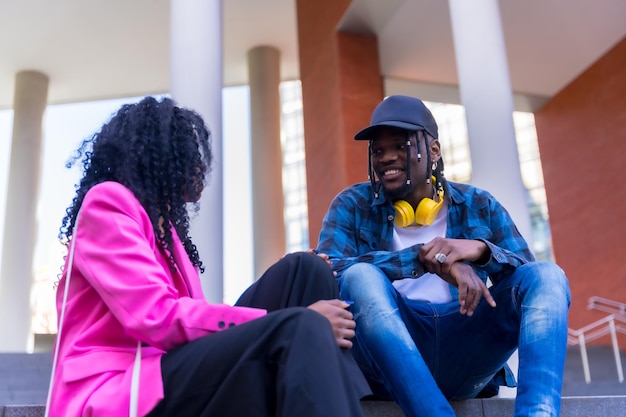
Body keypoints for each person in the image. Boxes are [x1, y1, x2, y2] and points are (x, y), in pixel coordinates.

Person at [47, 96, 370, 417]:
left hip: (168, 367)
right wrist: (294, 321)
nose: (202, 165)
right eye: (190, 153)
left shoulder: (170, 235)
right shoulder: (107, 203)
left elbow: (195, 321)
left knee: (306, 269)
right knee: (301, 324)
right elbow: (156, 317)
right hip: (119, 385)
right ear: (161, 156)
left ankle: (338, 388)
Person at [316, 95, 571, 417]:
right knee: (359, 276)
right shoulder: (352, 204)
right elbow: (329, 272)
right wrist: (424, 261)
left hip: (466, 350)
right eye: (378, 150)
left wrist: (481, 252)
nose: (386, 157)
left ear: (434, 150)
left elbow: (533, 285)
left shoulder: (479, 203)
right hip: (387, 358)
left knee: (549, 274)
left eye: (400, 145)